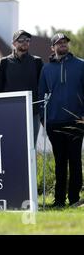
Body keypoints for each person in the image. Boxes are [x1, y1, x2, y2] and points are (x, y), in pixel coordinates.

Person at [39, 33, 84, 208]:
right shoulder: (46, 69)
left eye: (65, 42)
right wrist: (44, 118)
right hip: (55, 122)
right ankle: (59, 200)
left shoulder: (80, 65)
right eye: (59, 43)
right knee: (60, 161)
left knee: (74, 160)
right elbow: (41, 94)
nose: (63, 45)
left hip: (76, 121)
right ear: (53, 48)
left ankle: (74, 199)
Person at [0, 30, 43, 145]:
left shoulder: (37, 62)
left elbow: (43, 87)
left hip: (33, 112)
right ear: (14, 43)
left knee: (31, 147)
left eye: (27, 40)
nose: (25, 42)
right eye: (21, 40)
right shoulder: (3, 63)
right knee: (12, 146)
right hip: (10, 113)